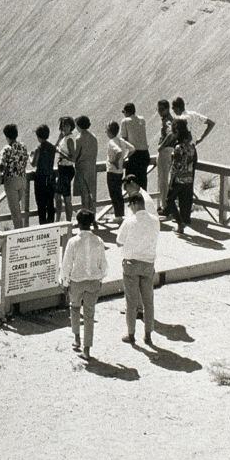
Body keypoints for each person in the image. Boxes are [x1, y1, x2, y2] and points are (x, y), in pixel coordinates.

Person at [60, 210, 107, 359]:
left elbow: (66, 264)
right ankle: (87, 348)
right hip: (93, 281)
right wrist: (100, 278)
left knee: (74, 308)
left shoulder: (73, 241)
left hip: (77, 281)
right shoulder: (98, 241)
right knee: (89, 314)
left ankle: (76, 338)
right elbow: (103, 265)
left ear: (78, 224)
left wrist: (65, 281)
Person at [117, 193, 159, 345]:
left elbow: (119, 241)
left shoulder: (129, 221)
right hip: (148, 264)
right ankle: (148, 334)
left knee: (131, 301)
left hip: (132, 264)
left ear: (134, 204)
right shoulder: (155, 221)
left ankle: (131, 334)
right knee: (148, 301)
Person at [165, 119, 197, 235]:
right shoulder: (191, 147)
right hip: (188, 179)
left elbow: (176, 166)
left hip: (178, 179)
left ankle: (179, 223)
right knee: (184, 201)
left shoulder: (178, 148)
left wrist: (171, 181)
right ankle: (182, 223)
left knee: (169, 200)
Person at [0, 123, 29, 229]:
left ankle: (18, 234)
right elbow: (25, 162)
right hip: (23, 179)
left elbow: (1, 166)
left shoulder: (7, 149)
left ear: (6, 136)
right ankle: (21, 230)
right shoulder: (23, 147)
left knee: (15, 211)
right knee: (19, 209)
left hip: (11, 180)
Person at [105, 121, 135, 223]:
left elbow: (118, 151)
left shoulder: (111, 141)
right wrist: (125, 158)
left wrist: (115, 161)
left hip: (112, 171)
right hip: (120, 171)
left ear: (109, 131)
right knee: (119, 193)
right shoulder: (121, 140)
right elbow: (132, 149)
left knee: (113, 194)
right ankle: (120, 214)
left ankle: (118, 216)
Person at [31, 124, 57, 225]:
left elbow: (34, 164)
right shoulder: (52, 148)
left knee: (41, 204)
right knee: (50, 203)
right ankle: (51, 224)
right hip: (50, 177)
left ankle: (43, 226)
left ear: (38, 136)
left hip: (40, 178)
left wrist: (30, 157)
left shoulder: (39, 149)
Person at [120, 103, 150, 190]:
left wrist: (123, 156)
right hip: (145, 154)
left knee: (132, 182)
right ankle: (143, 201)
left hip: (135, 155)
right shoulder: (142, 120)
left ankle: (134, 202)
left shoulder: (125, 121)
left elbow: (124, 139)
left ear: (126, 112)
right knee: (143, 182)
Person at [54, 116, 77, 223]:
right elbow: (55, 147)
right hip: (62, 169)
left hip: (67, 169)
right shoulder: (64, 137)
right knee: (58, 196)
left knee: (66, 198)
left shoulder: (69, 139)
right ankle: (59, 220)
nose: (64, 127)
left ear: (71, 126)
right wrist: (59, 138)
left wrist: (61, 153)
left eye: (67, 125)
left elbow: (73, 158)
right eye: (63, 125)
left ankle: (68, 222)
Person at [73, 115, 98, 214]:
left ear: (78, 126)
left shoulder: (79, 138)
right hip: (91, 167)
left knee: (84, 195)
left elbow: (75, 156)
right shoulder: (93, 137)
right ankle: (92, 217)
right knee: (90, 194)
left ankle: (86, 217)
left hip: (82, 168)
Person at [155, 100, 175, 213]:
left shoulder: (167, 121)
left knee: (162, 179)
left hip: (165, 151)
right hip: (168, 151)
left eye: (161, 109)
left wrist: (161, 146)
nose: (159, 112)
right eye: (158, 109)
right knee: (163, 179)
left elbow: (171, 133)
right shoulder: (168, 120)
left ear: (167, 109)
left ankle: (164, 206)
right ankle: (163, 204)